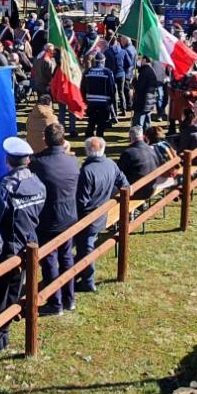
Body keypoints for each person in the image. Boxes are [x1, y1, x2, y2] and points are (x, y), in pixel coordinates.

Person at [0, 136, 44, 354]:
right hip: (27, 243)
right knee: (14, 290)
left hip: (6, 248)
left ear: (8, 160)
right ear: (27, 161)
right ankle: (4, 332)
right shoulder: (38, 183)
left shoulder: (6, 187)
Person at [30, 126, 82, 315]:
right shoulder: (72, 161)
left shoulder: (38, 162)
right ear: (63, 140)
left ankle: (55, 303)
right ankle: (69, 299)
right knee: (66, 257)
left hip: (48, 219)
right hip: (69, 217)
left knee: (50, 260)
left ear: (45, 139)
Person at [74, 136, 128, 294]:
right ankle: (79, 273)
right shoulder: (110, 164)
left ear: (87, 151)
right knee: (86, 247)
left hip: (88, 218)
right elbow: (125, 184)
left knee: (86, 249)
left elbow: (81, 201)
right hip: (103, 214)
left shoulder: (87, 171)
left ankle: (88, 282)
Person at [120, 126, 163, 198]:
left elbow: (119, 173)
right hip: (151, 187)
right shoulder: (151, 149)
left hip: (136, 191)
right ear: (143, 137)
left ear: (130, 138)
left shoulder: (128, 153)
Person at [81, 53, 116, 138]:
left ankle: (89, 136)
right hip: (104, 101)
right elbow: (111, 88)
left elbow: (82, 87)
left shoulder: (88, 71)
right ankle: (99, 137)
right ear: (103, 61)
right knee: (101, 122)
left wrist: (85, 99)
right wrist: (111, 100)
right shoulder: (107, 72)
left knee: (91, 120)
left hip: (91, 101)